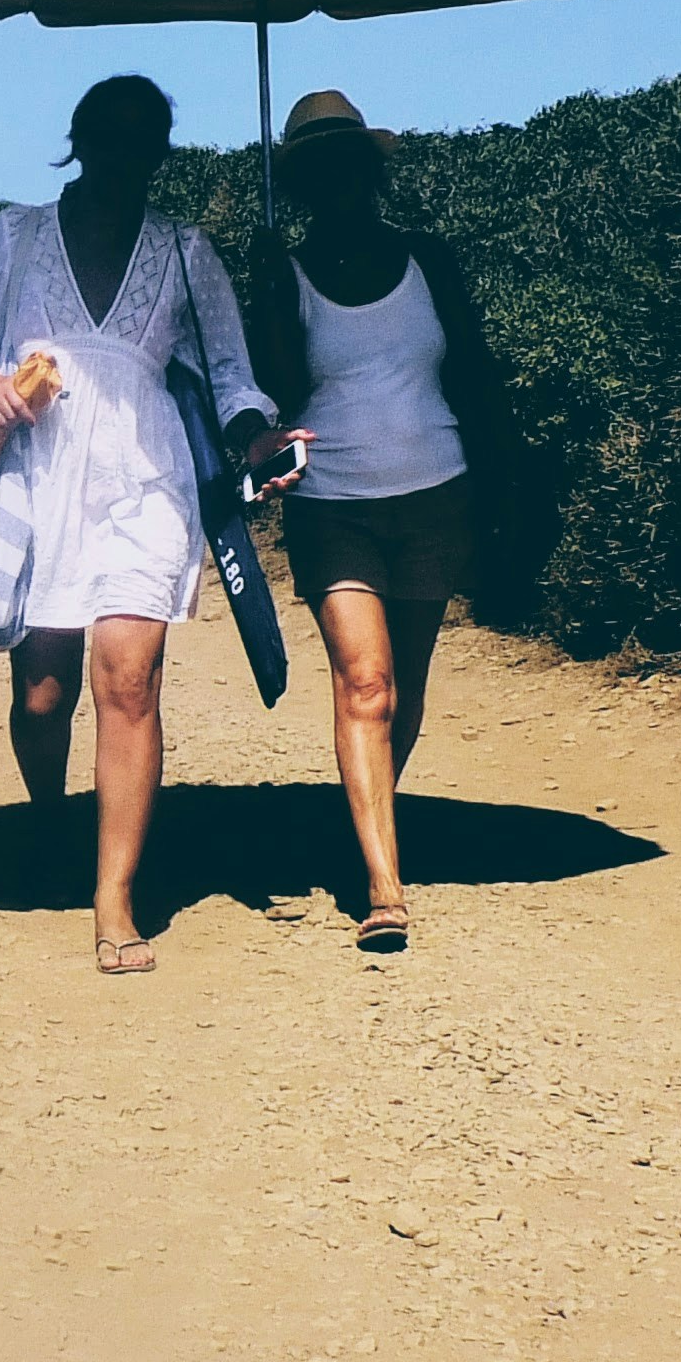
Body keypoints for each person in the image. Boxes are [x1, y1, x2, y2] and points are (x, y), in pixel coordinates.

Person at [0, 76, 302, 975]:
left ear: (161, 152)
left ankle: (113, 895)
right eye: (111, 137)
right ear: (79, 141)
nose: (127, 156)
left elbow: (232, 377)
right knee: (43, 692)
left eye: (145, 141)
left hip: (145, 484)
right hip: (35, 480)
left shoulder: (186, 251)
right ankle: (52, 823)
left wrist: (258, 437)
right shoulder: (14, 237)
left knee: (129, 681)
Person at [243, 89, 519, 954]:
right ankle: (383, 886)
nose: (339, 181)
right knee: (367, 683)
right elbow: (278, 389)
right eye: (319, 170)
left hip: (441, 494)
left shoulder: (430, 260)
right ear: (303, 185)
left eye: (348, 164)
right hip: (334, 503)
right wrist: (265, 288)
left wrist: (508, 481)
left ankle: (368, 824)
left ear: (369, 171)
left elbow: (471, 370)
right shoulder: (281, 272)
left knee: (407, 686)